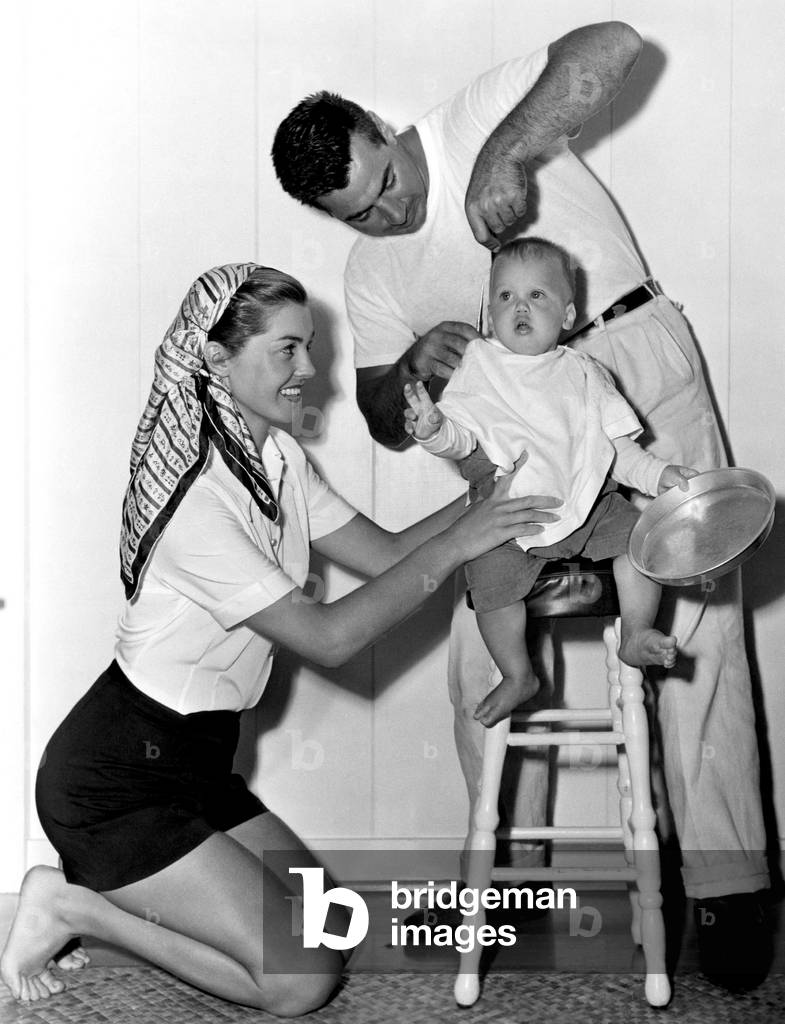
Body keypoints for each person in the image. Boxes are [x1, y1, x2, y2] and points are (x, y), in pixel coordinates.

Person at [271, 21, 772, 991]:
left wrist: (502, 155)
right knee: (481, 639)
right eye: (362, 214)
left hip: (629, 356)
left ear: (381, 127)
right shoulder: (372, 272)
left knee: (697, 607)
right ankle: (511, 880)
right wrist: (410, 373)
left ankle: (727, 885)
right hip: (517, 430)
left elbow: (611, 45)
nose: (391, 212)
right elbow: (380, 412)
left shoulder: (471, 117)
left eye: (387, 182)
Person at [0, 264, 560, 1012]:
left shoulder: (278, 460)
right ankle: (72, 906)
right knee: (301, 981)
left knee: (335, 929)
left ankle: (120, 895)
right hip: (116, 785)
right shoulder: (197, 501)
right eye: (286, 350)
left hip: (198, 768)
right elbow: (328, 637)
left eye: (310, 347)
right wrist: (465, 539)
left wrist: (488, 497)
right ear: (216, 359)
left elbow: (389, 555)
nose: (309, 370)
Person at [404, 237, 697, 727]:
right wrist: (433, 430)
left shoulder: (585, 372)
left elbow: (616, 452)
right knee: (489, 579)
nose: (519, 306)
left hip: (591, 506)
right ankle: (518, 672)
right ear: (490, 312)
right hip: (510, 517)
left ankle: (636, 631)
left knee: (641, 541)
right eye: (505, 296)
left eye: (536, 295)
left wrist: (659, 475)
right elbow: (461, 439)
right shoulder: (480, 367)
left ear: (567, 315)